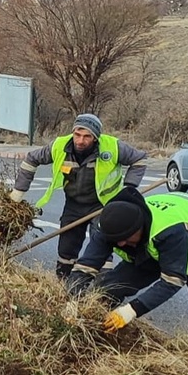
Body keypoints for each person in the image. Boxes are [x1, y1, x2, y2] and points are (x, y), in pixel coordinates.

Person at [66, 190, 188, 368]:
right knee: (108, 288)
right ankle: (95, 340)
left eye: (126, 238)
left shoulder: (170, 230)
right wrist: (71, 301)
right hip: (156, 245)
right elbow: (86, 266)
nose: (121, 244)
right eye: (117, 240)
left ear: (141, 226)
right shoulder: (110, 227)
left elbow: (172, 280)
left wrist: (130, 311)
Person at [10, 113, 147, 279]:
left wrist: (129, 188)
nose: (81, 141)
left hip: (103, 206)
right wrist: (18, 193)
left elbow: (139, 160)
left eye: (87, 136)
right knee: (66, 249)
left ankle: (101, 291)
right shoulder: (59, 145)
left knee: (101, 248)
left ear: (96, 137)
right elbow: (31, 159)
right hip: (74, 205)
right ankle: (64, 285)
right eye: (77, 135)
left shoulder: (112, 147)